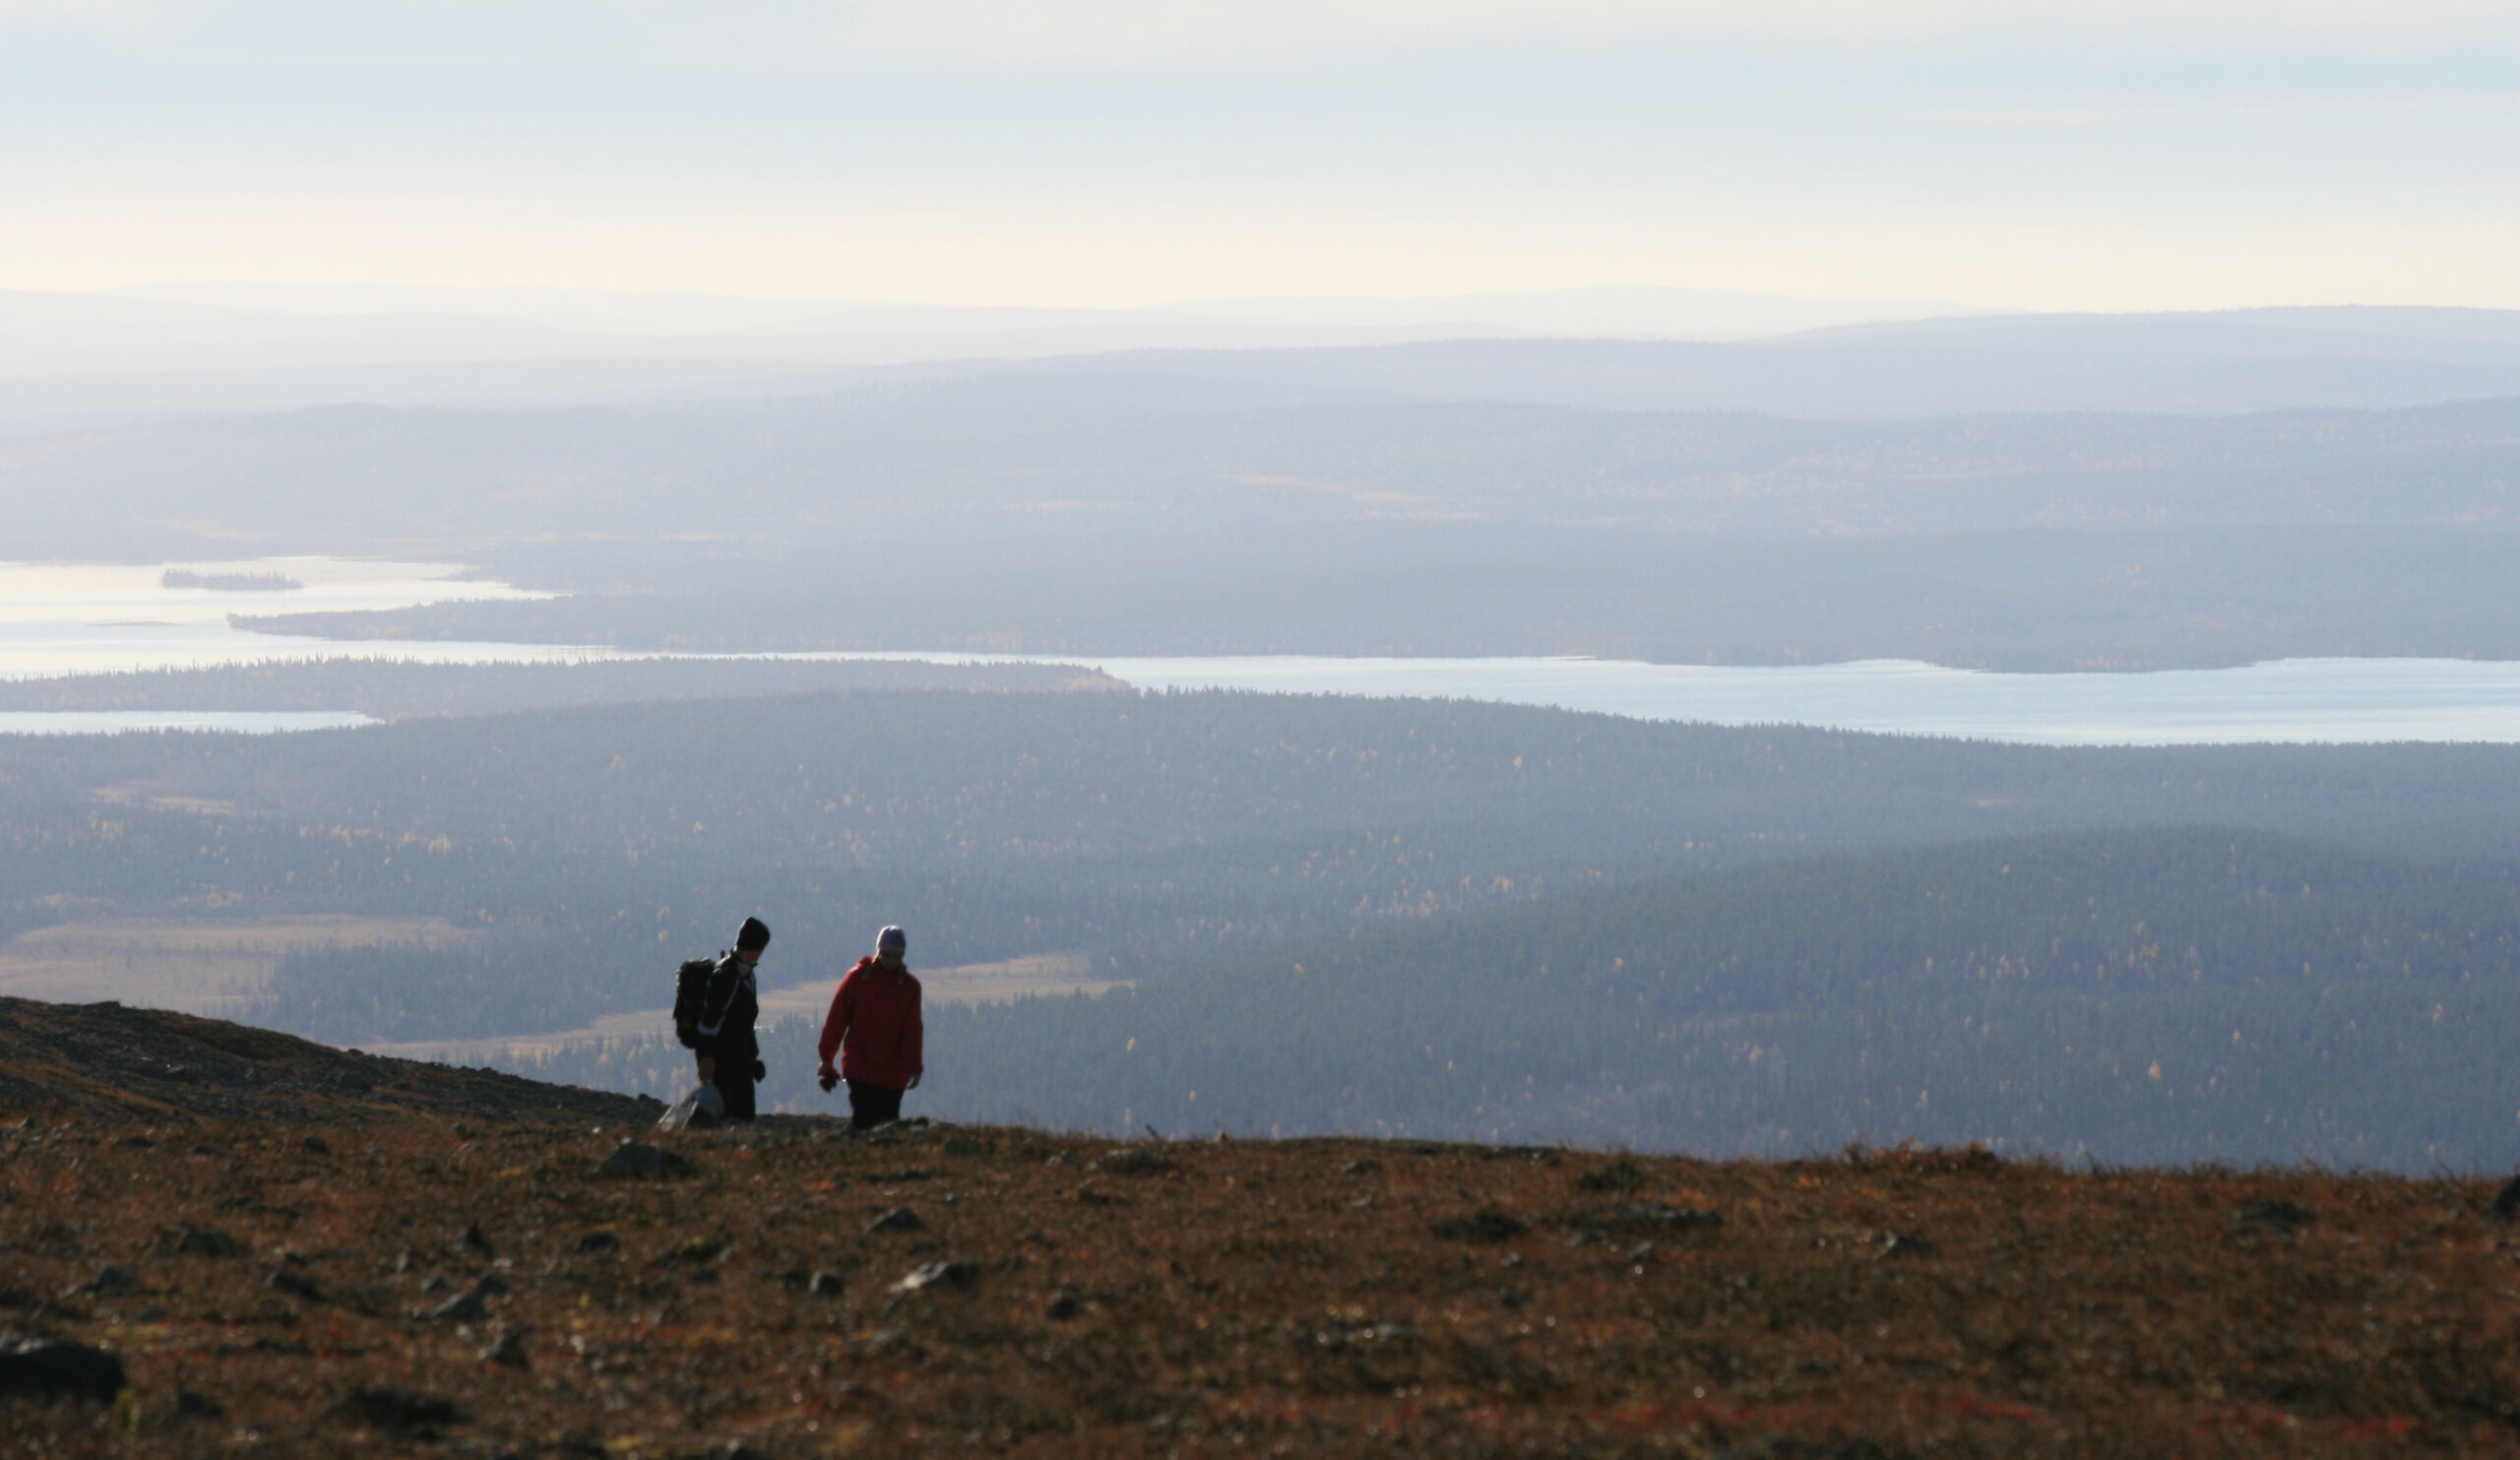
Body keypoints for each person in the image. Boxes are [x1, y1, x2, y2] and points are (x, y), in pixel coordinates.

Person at [817, 924, 924, 1129]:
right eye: (888, 955)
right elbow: (836, 1020)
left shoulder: (910, 988)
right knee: (865, 1120)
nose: (892, 961)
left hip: (894, 1074)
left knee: (887, 1125)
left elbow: (912, 1031)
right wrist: (827, 1058)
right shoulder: (857, 979)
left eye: (897, 956)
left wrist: (914, 1067)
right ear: (879, 951)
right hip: (860, 1069)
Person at [694, 916, 771, 1123]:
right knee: (731, 1119)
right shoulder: (728, 977)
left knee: (739, 1118)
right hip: (724, 1063)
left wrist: (752, 1059)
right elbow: (711, 1021)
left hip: (739, 1061)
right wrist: (708, 1058)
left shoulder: (744, 974)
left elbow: (744, 1025)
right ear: (753, 947)